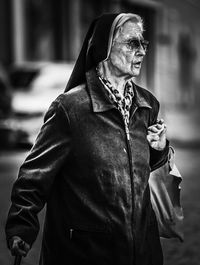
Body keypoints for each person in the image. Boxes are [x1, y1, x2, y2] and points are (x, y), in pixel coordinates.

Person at [5, 13, 170, 265]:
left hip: (142, 249)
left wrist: (159, 149)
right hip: (87, 251)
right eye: (132, 43)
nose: (141, 52)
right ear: (104, 46)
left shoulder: (147, 105)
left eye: (143, 44)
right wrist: (22, 226)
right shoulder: (70, 109)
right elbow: (33, 176)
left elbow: (149, 172)